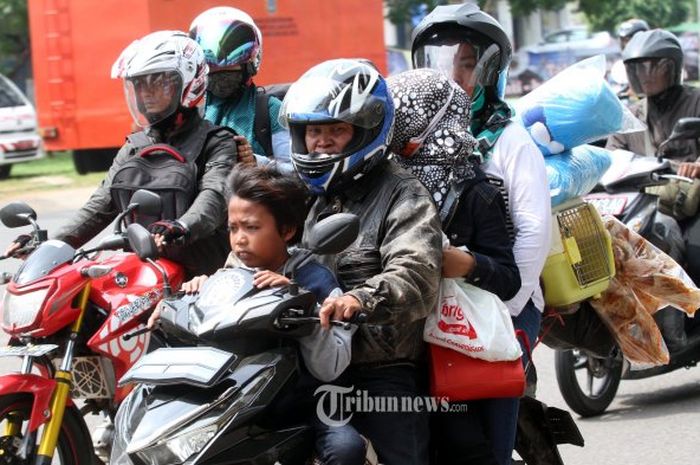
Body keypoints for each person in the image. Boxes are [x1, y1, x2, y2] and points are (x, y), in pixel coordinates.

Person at [281, 58, 443, 465]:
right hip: (308, 361)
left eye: (336, 130)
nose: (321, 142)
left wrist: (359, 300)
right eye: (314, 131)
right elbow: (254, 237)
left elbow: (416, 274)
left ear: (367, 130)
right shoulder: (303, 197)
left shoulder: (402, 195)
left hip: (379, 365)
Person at [411, 4, 551, 464]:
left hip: (501, 297)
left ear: (491, 72)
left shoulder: (509, 141)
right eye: (442, 61)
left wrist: (504, 315)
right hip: (428, 299)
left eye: (468, 63)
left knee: (488, 441)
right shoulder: (411, 141)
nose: (453, 74)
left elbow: (532, 232)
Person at [5, 31, 236, 278]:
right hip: (145, 272)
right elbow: (100, 205)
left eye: (157, 82)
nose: (146, 92)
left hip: (203, 276)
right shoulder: (135, 146)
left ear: (190, 83)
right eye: (139, 84)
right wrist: (50, 244)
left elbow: (212, 199)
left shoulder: (217, 141)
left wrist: (181, 226)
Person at [388, 68, 521, 465]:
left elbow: (509, 277)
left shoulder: (476, 191)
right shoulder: (383, 180)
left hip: (454, 343)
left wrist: (465, 264)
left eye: (405, 113)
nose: (395, 123)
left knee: (464, 447)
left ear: (432, 116)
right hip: (393, 341)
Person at [606, 28, 700, 351]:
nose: (644, 76)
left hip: (688, 203)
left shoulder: (695, 101)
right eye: (637, 68)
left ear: (672, 67)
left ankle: (679, 324)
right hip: (641, 201)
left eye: (653, 66)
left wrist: (696, 164)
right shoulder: (630, 114)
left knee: (680, 238)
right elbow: (611, 153)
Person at [189, 7, 292, 171]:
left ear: (250, 62)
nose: (220, 71)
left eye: (231, 64)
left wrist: (255, 162)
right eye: (213, 67)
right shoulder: (197, 117)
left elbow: (296, 172)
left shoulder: (270, 110)